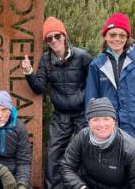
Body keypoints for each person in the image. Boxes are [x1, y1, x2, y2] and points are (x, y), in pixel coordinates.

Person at [84, 12, 135, 167]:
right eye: (113, 34)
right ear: (105, 36)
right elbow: (91, 99)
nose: (117, 39)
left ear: (128, 37)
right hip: (109, 129)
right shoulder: (97, 65)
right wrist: (92, 127)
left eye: (122, 35)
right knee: (112, 172)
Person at [20, 16, 92, 189]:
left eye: (57, 36)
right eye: (49, 38)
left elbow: (94, 84)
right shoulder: (46, 60)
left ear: (64, 36)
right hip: (61, 114)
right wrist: (29, 72)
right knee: (53, 153)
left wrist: (91, 108)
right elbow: (39, 88)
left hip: (82, 113)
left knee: (87, 151)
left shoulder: (82, 56)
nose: (54, 41)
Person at [59, 97, 135, 189]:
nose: (101, 124)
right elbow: (66, 166)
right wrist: (80, 187)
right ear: (89, 122)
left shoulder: (131, 148)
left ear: (114, 121)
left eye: (106, 119)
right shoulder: (82, 137)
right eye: (95, 119)